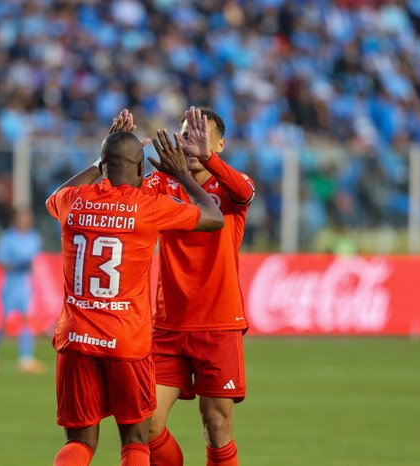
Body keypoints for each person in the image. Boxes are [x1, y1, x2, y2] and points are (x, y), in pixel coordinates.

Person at [45, 112, 224, 466]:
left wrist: (100, 162)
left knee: (80, 442)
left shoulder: (74, 202)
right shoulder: (148, 208)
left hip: (77, 339)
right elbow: (214, 217)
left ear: (105, 166)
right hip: (127, 340)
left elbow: (56, 194)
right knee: (135, 439)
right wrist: (182, 175)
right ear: (142, 171)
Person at [142, 107, 256, 466]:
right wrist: (116, 150)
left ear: (219, 144)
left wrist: (205, 157)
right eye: (186, 135)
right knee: (146, 426)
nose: (190, 143)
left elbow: (244, 194)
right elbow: (121, 195)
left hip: (218, 324)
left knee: (216, 424)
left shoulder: (232, 186)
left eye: (200, 135)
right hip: (168, 325)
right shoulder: (161, 184)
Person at [0, 207, 45, 375]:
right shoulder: (7, 238)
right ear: (15, 219)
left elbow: (34, 260)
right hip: (10, 282)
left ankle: (26, 358)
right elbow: (0, 261)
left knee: (27, 320)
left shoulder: (34, 237)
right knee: (2, 320)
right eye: (23, 217)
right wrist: (17, 264)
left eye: (28, 217)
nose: (26, 221)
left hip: (25, 283)